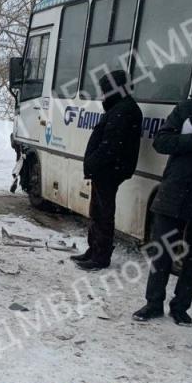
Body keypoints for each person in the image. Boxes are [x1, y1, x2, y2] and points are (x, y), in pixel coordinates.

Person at [133, 65, 192, 327]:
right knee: (162, 254)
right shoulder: (187, 110)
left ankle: (181, 308)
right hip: (174, 195)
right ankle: (153, 304)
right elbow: (161, 141)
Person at [71, 70, 143, 271]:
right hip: (108, 169)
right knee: (97, 211)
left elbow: (110, 146)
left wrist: (93, 163)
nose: (102, 94)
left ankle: (100, 256)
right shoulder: (120, 107)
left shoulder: (123, 110)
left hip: (109, 170)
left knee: (103, 213)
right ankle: (94, 250)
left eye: (105, 90)